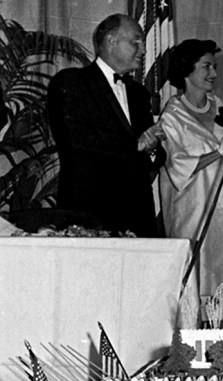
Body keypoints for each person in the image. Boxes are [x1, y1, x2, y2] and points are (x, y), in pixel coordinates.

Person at [47, 14, 161, 235]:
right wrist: (135, 146)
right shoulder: (71, 82)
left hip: (138, 217)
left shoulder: (139, 94)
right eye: (135, 42)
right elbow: (77, 142)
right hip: (90, 214)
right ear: (111, 41)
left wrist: (152, 147)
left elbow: (156, 155)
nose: (144, 50)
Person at [157, 40, 223, 299]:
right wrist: (220, 150)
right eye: (206, 66)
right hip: (193, 213)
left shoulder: (222, 107)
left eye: (215, 67)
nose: (214, 74)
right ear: (187, 71)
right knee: (195, 282)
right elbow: (178, 167)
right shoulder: (172, 116)